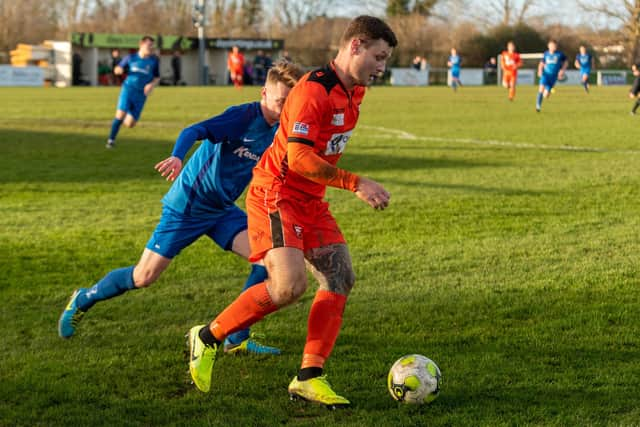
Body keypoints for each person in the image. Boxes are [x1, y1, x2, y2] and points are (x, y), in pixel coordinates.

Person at [187, 15, 397, 407]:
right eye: (379, 57)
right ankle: (209, 337)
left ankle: (309, 376)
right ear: (355, 46)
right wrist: (356, 183)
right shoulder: (312, 91)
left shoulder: (355, 92)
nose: (382, 68)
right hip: (276, 193)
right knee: (288, 287)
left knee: (339, 277)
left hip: (310, 200)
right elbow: (298, 157)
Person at [59, 62, 305, 356]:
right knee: (144, 277)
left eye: (291, 103)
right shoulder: (241, 117)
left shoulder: (281, 127)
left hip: (222, 210)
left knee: (267, 263)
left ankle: (235, 338)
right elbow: (195, 129)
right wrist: (177, 157)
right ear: (264, 92)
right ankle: (84, 298)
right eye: (280, 102)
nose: (284, 109)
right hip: (188, 205)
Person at [106, 36, 160, 148]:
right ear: (141, 44)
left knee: (130, 124)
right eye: (149, 45)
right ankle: (111, 141)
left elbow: (157, 77)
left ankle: (127, 116)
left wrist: (151, 84)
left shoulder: (153, 61)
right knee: (120, 114)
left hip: (141, 94)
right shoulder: (130, 58)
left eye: (152, 46)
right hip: (128, 89)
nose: (151, 47)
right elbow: (117, 69)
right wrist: (118, 70)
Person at [536, 39, 568, 112]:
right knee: (541, 89)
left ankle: (545, 93)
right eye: (551, 46)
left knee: (546, 95)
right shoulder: (546, 54)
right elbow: (541, 63)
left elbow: (566, 62)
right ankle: (538, 106)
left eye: (554, 46)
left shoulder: (560, 54)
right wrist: (540, 70)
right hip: (545, 75)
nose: (553, 47)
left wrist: (562, 70)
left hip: (553, 77)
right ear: (548, 46)